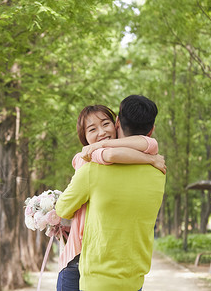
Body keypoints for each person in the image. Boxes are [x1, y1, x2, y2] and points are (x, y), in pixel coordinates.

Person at [56, 95, 166, 291]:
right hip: (133, 277)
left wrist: (95, 148)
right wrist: (150, 160)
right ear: (152, 130)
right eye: (92, 129)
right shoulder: (159, 171)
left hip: (92, 273)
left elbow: (63, 209)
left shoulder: (92, 168)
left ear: (116, 123)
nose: (101, 133)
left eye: (105, 124)